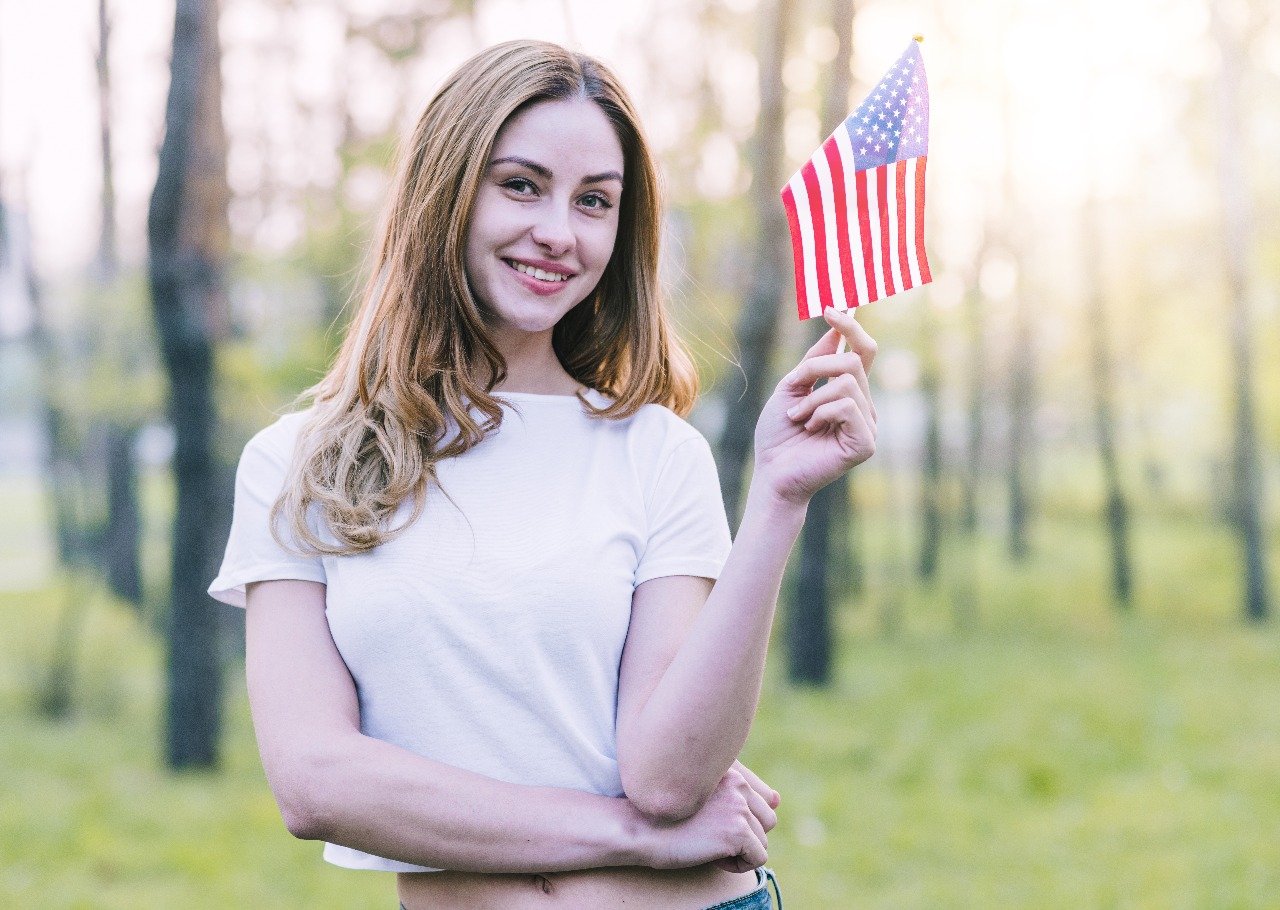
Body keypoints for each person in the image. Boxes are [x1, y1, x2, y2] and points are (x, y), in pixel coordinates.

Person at [208, 39, 877, 910]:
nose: (559, 232)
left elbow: (669, 778)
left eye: (594, 201)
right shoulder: (300, 467)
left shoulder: (656, 454)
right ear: (446, 192)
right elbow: (316, 782)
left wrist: (781, 499)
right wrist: (627, 835)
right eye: (521, 185)